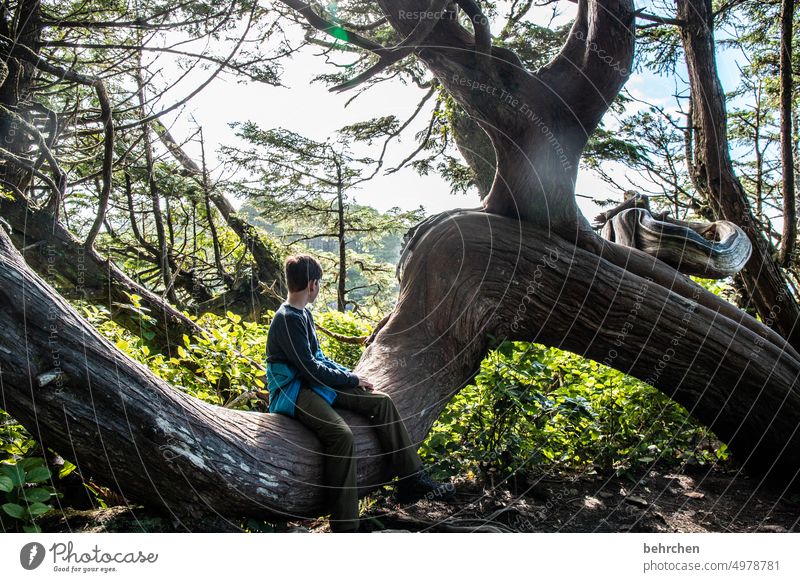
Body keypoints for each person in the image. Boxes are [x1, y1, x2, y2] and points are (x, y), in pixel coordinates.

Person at [265, 253, 455, 532]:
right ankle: (345, 526)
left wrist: (353, 379)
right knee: (341, 435)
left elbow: (318, 359)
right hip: (292, 389)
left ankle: (412, 478)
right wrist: (350, 378)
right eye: (319, 283)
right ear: (312, 285)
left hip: (314, 381)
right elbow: (310, 370)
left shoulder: (303, 313)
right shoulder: (286, 319)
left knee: (381, 402)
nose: (318, 288)